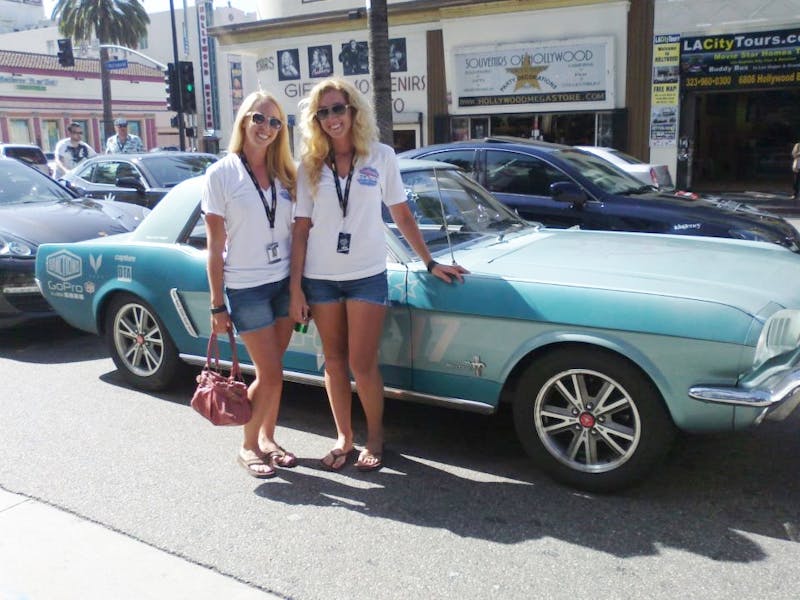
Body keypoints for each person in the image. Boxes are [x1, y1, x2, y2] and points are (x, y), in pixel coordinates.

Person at [289, 77, 468, 472]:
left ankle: (375, 437)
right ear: (316, 121)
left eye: (338, 108)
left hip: (366, 275)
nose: (332, 118)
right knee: (333, 362)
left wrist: (429, 262)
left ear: (353, 110)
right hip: (320, 278)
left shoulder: (381, 156)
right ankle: (343, 437)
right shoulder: (309, 166)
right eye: (323, 112)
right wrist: (295, 287)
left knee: (362, 362)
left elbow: (401, 214)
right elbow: (300, 229)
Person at [202, 90, 298, 479]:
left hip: (283, 284)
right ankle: (248, 445)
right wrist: (217, 304)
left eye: (275, 122)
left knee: (274, 372)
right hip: (247, 289)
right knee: (269, 373)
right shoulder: (221, 174)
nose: (267, 127)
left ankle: (268, 439)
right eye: (259, 118)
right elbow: (214, 246)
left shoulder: (285, 173)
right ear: (244, 120)